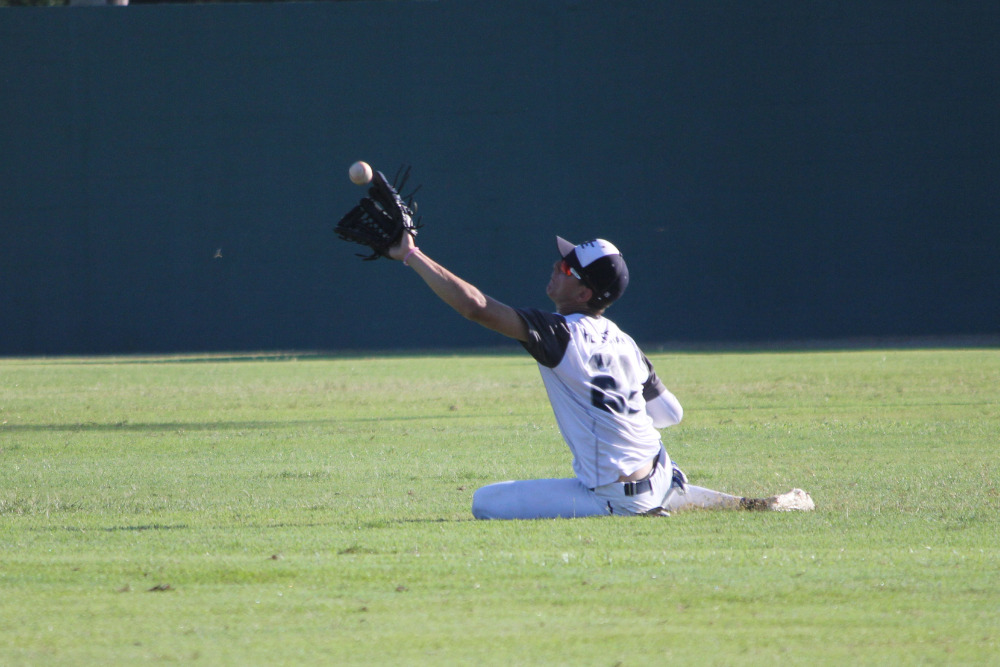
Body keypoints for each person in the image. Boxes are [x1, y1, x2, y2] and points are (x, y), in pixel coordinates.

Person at [387, 230, 814, 519]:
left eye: (567, 269)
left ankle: (654, 507)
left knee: (483, 502)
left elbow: (476, 307)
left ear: (584, 292)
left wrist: (411, 255)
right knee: (654, 476)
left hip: (615, 497)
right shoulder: (625, 341)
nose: (556, 267)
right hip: (661, 469)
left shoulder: (559, 334)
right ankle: (722, 501)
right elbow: (671, 413)